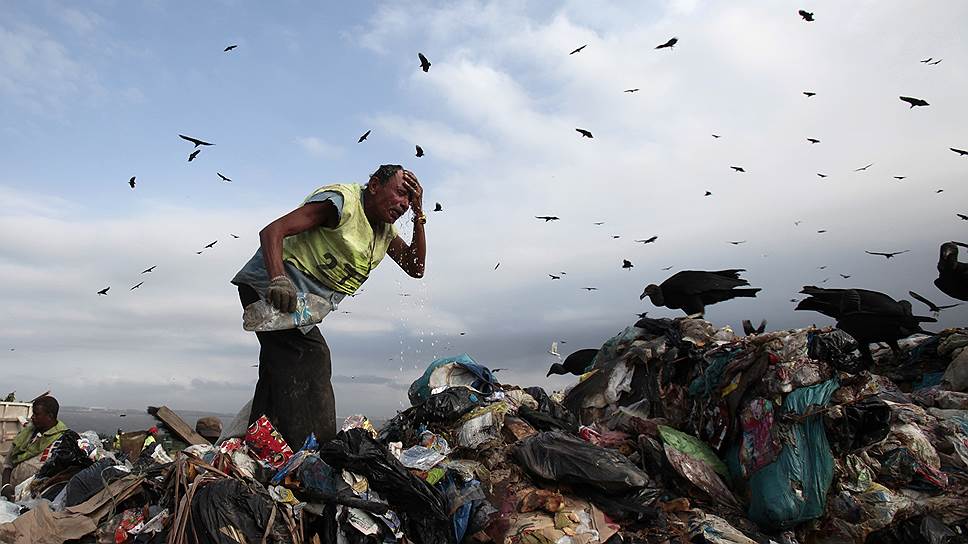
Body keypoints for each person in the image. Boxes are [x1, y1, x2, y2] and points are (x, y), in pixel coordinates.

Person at [232, 165, 426, 447]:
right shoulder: (341, 203)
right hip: (270, 289)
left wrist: (420, 214)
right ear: (374, 185)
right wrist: (278, 279)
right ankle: (317, 453)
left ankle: (258, 444)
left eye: (410, 200)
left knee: (278, 371)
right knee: (313, 358)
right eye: (400, 193)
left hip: (302, 309)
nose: (404, 204)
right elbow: (272, 231)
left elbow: (416, 267)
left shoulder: (383, 232)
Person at [1, 395, 68, 498]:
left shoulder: (64, 441)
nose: (32, 417)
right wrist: (5, 486)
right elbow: (8, 464)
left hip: (34, 499)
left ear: (50, 416)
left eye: (36, 414)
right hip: (10, 491)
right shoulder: (26, 434)